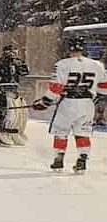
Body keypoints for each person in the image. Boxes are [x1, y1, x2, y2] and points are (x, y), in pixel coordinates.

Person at [31, 35, 107, 172]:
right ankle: (82, 160)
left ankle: (59, 158)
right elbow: (104, 86)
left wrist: (45, 102)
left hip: (67, 103)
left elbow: (56, 87)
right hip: (87, 104)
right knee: (83, 133)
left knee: (61, 131)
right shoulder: (97, 65)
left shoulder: (62, 64)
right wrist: (97, 98)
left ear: (69, 48)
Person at [0, 44, 30, 145]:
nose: (13, 55)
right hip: (1, 90)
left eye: (15, 52)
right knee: (7, 113)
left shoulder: (17, 62)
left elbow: (25, 72)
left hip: (14, 90)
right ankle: (0, 134)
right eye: (11, 52)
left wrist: (19, 64)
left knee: (20, 114)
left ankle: (15, 134)